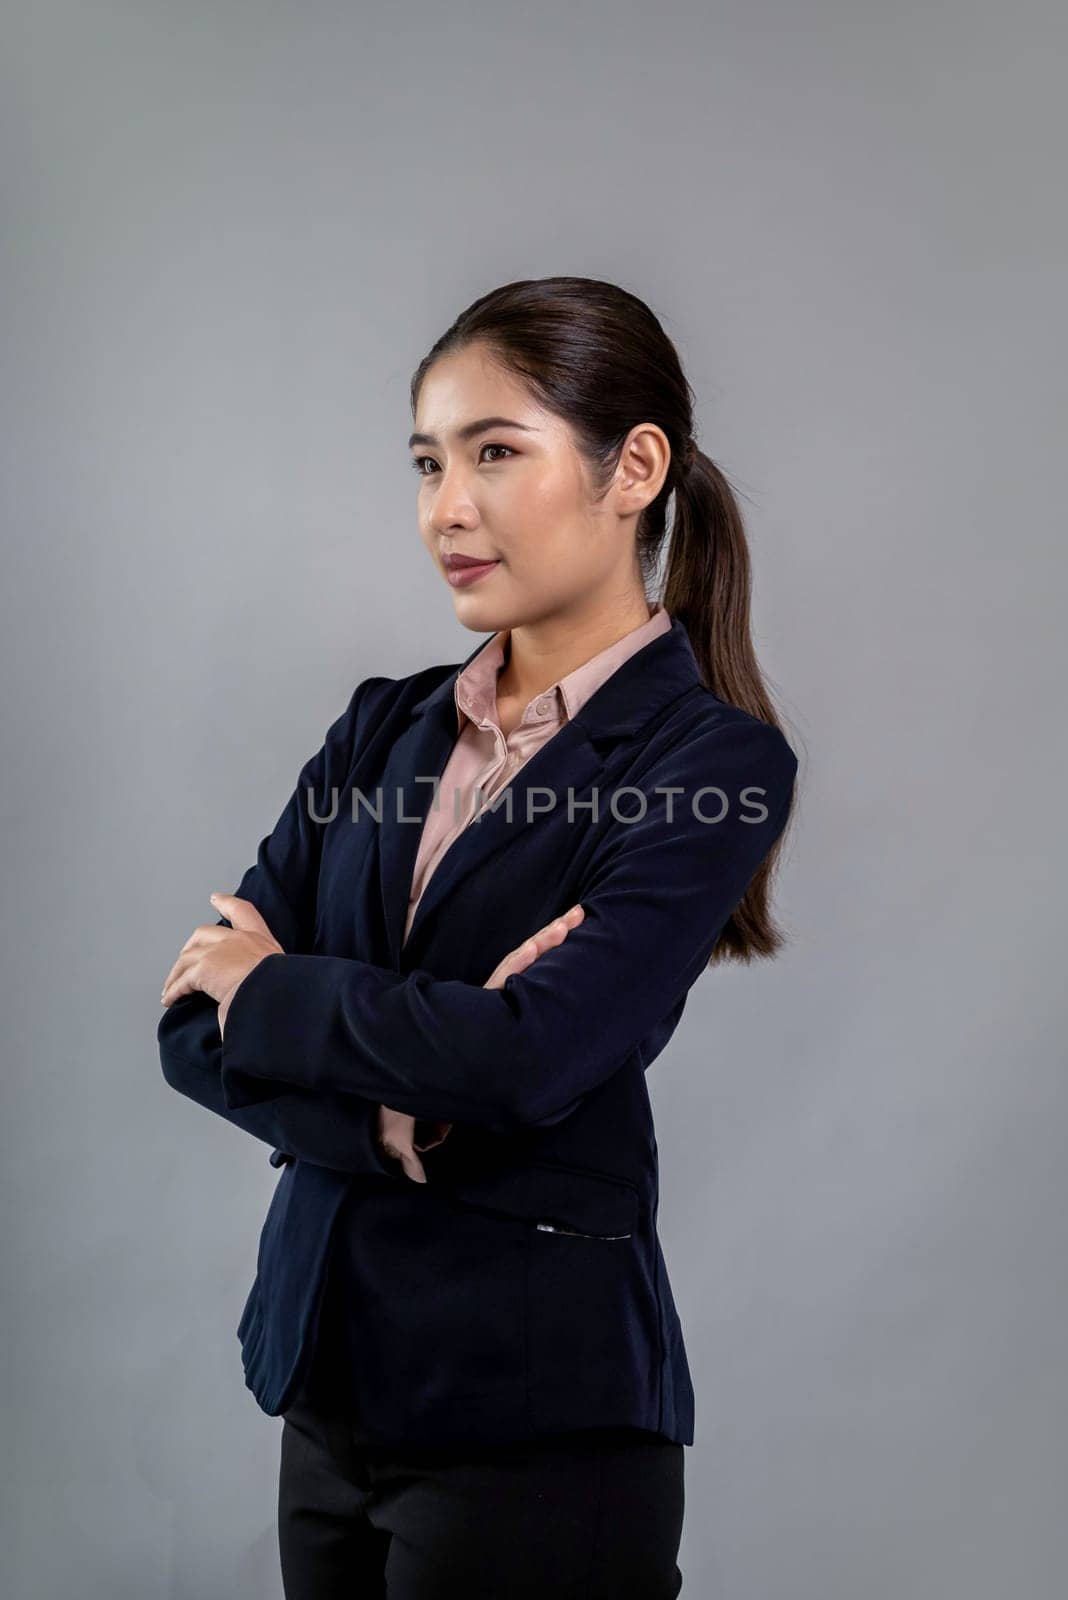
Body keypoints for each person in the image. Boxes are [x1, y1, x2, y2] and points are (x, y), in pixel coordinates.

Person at [158, 275, 800, 1598]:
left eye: (496, 453)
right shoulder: (380, 728)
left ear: (635, 469)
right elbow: (187, 1028)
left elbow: (530, 1060)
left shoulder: (708, 762)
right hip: (326, 1381)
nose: (447, 509)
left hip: (534, 1419)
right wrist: (417, 1108)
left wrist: (275, 993)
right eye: (427, 462)